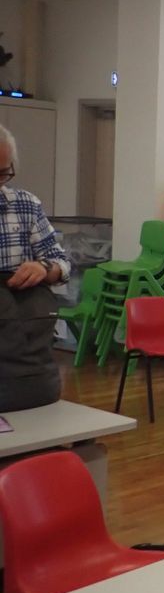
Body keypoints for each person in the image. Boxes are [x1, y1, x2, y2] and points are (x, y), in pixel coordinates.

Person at [0, 123, 70, 411]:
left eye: (3, 173)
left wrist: (44, 268)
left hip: (29, 373)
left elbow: (62, 263)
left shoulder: (26, 205)